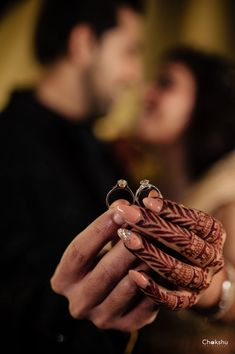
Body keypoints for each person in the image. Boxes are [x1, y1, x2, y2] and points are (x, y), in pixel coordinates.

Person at [0, 0, 147, 353]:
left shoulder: (103, 152)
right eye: (129, 51)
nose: (135, 74)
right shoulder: (7, 146)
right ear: (82, 43)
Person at [126, 46, 235, 353]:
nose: (146, 93)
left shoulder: (227, 196)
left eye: (166, 83)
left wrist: (213, 292)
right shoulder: (145, 186)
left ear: (204, 104)